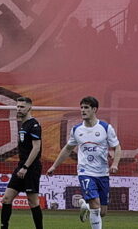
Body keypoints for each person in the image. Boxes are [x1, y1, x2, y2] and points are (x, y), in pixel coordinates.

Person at [47, 96, 121, 228]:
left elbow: (117, 147)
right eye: (81, 107)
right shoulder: (77, 130)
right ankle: (90, 206)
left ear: (94, 109)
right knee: (95, 204)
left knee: (102, 212)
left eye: (86, 107)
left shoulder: (105, 128)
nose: (82, 110)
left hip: (103, 173)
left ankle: (85, 205)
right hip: (85, 171)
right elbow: (68, 148)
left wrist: (115, 164)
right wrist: (54, 166)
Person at [1, 96, 43, 229]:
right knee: (6, 199)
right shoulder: (23, 125)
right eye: (18, 106)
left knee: (33, 202)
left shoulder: (34, 125)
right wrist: (22, 166)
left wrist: (25, 167)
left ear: (30, 107)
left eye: (22, 107)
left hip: (31, 167)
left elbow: (36, 148)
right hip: (21, 166)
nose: (19, 109)